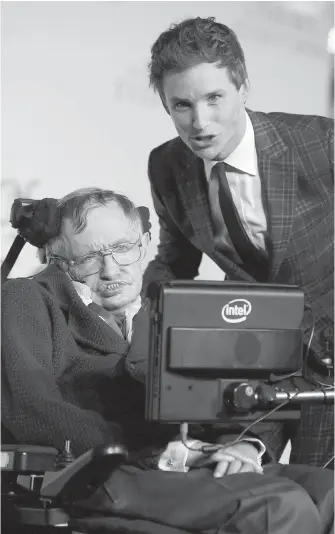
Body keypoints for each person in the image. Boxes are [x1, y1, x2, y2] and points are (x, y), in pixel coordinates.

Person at [2, 188, 334, 534]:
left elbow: (216, 399)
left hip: (185, 462)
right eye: (89, 257)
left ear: (143, 242)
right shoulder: (25, 298)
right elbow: (31, 409)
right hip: (100, 472)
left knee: (329, 494)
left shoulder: (167, 306)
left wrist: (240, 447)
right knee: (279, 506)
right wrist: (158, 452)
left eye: (122, 248)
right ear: (56, 256)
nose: (111, 269)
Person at [143, 16, 334, 468]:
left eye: (214, 98)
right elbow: (175, 263)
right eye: (182, 105)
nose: (200, 122)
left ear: (243, 87)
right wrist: (140, 312)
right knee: (252, 493)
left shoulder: (321, 144)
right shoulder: (166, 166)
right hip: (254, 358)